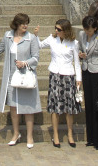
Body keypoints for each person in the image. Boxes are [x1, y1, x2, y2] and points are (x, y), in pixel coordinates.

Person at [35, 19, 82, 148]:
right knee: (55, 106)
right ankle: (55, 135)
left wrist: (79, 79)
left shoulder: (74, 43)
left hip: (68, 76)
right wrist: (36, 35)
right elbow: (39, 45)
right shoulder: (52, 39)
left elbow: (77, 63)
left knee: (69, 108)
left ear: (66, 30)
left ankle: (70, 134)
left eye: (59, 29)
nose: (56, 31)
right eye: (56, 28)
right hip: (55, 74)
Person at [0, 13, 41, 149]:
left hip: (25, 76)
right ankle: (16, 133)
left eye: (27, 23)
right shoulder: (7, 36)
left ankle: (29, 135)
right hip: (11, 76)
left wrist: (25, 63)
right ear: (16, 24)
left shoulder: (31, 38)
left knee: (28, 107)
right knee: (13, 106)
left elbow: (36, 57)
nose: (25, 26)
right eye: (22, 23)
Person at [78, 15, 98, 150]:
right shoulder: (81, 35)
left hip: (97, 73)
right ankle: (91, 138)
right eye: (85, 29)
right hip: (86, 70)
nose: (87, 32)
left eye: (89, 30)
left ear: (95, 28)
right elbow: (79, 49)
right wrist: (81, 54)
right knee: (89, 105)